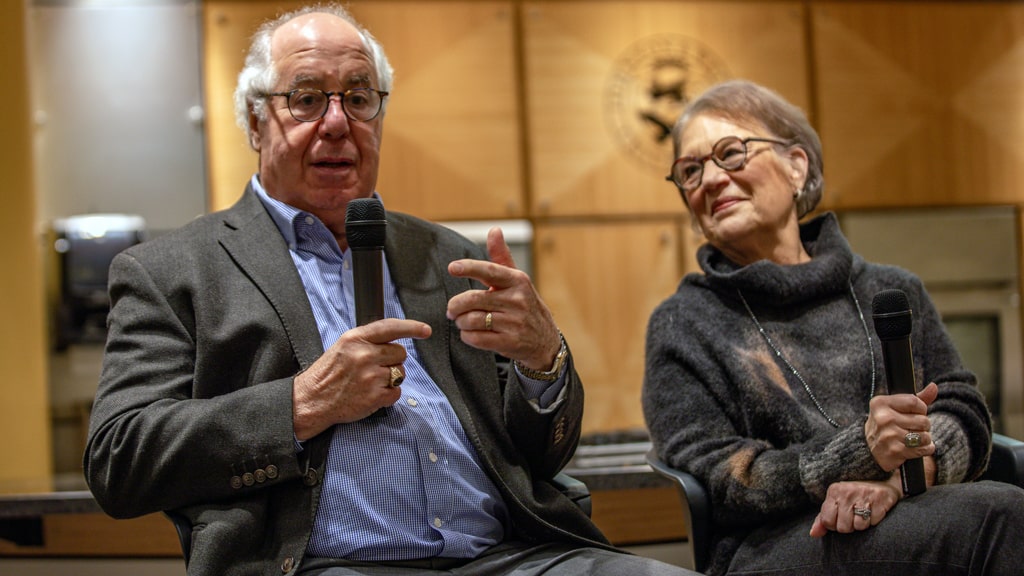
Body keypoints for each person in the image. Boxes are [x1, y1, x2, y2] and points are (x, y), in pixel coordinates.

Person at [84, 4, 697, 576]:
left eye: (358, 98)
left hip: (512, 555)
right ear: (253, 120)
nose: (336, 123)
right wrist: (304, 404)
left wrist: (544, 363)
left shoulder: (453, 257)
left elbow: (542, 458)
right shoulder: (171, 271)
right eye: (305, 99)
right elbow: (119, 459)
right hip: (326, 566)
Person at [642, 79, 1024, 576]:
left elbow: (962, 410)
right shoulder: (682, 322)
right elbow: (721, 478)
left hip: (915, 505)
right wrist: (857, 455)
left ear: (796, 166)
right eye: (689, 171)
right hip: (776, 545)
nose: (710, 180)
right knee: (1004, 516)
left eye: (730, 154)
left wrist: (897, 482)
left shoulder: (891, 290)